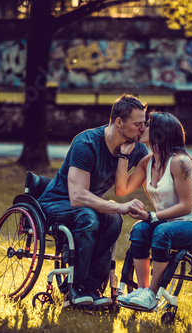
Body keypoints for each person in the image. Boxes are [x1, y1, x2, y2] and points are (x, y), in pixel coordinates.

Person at [38, 94, 149, 307]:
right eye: (138, 124)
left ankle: (94, 288)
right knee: (90, 217)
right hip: (57, 203)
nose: (142, 129)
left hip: (85, 206)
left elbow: (152, 177)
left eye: (144, 124)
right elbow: (77, 196)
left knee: (114, 219)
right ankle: (76, 288)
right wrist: (118, 206)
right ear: (119, 122)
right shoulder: (86, 142)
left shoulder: (135, 149)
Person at [115, 111, 192, 310]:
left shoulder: (181, 162)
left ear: (159, 133)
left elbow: (186, 206)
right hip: (167, 223)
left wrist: (151, 216)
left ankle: (152, 293)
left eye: (148, 124)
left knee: (161, 231)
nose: (142, 127)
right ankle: (143, 291)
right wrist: (124, 155)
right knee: (139, 230)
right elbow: (121, 189)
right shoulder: (147, 161)